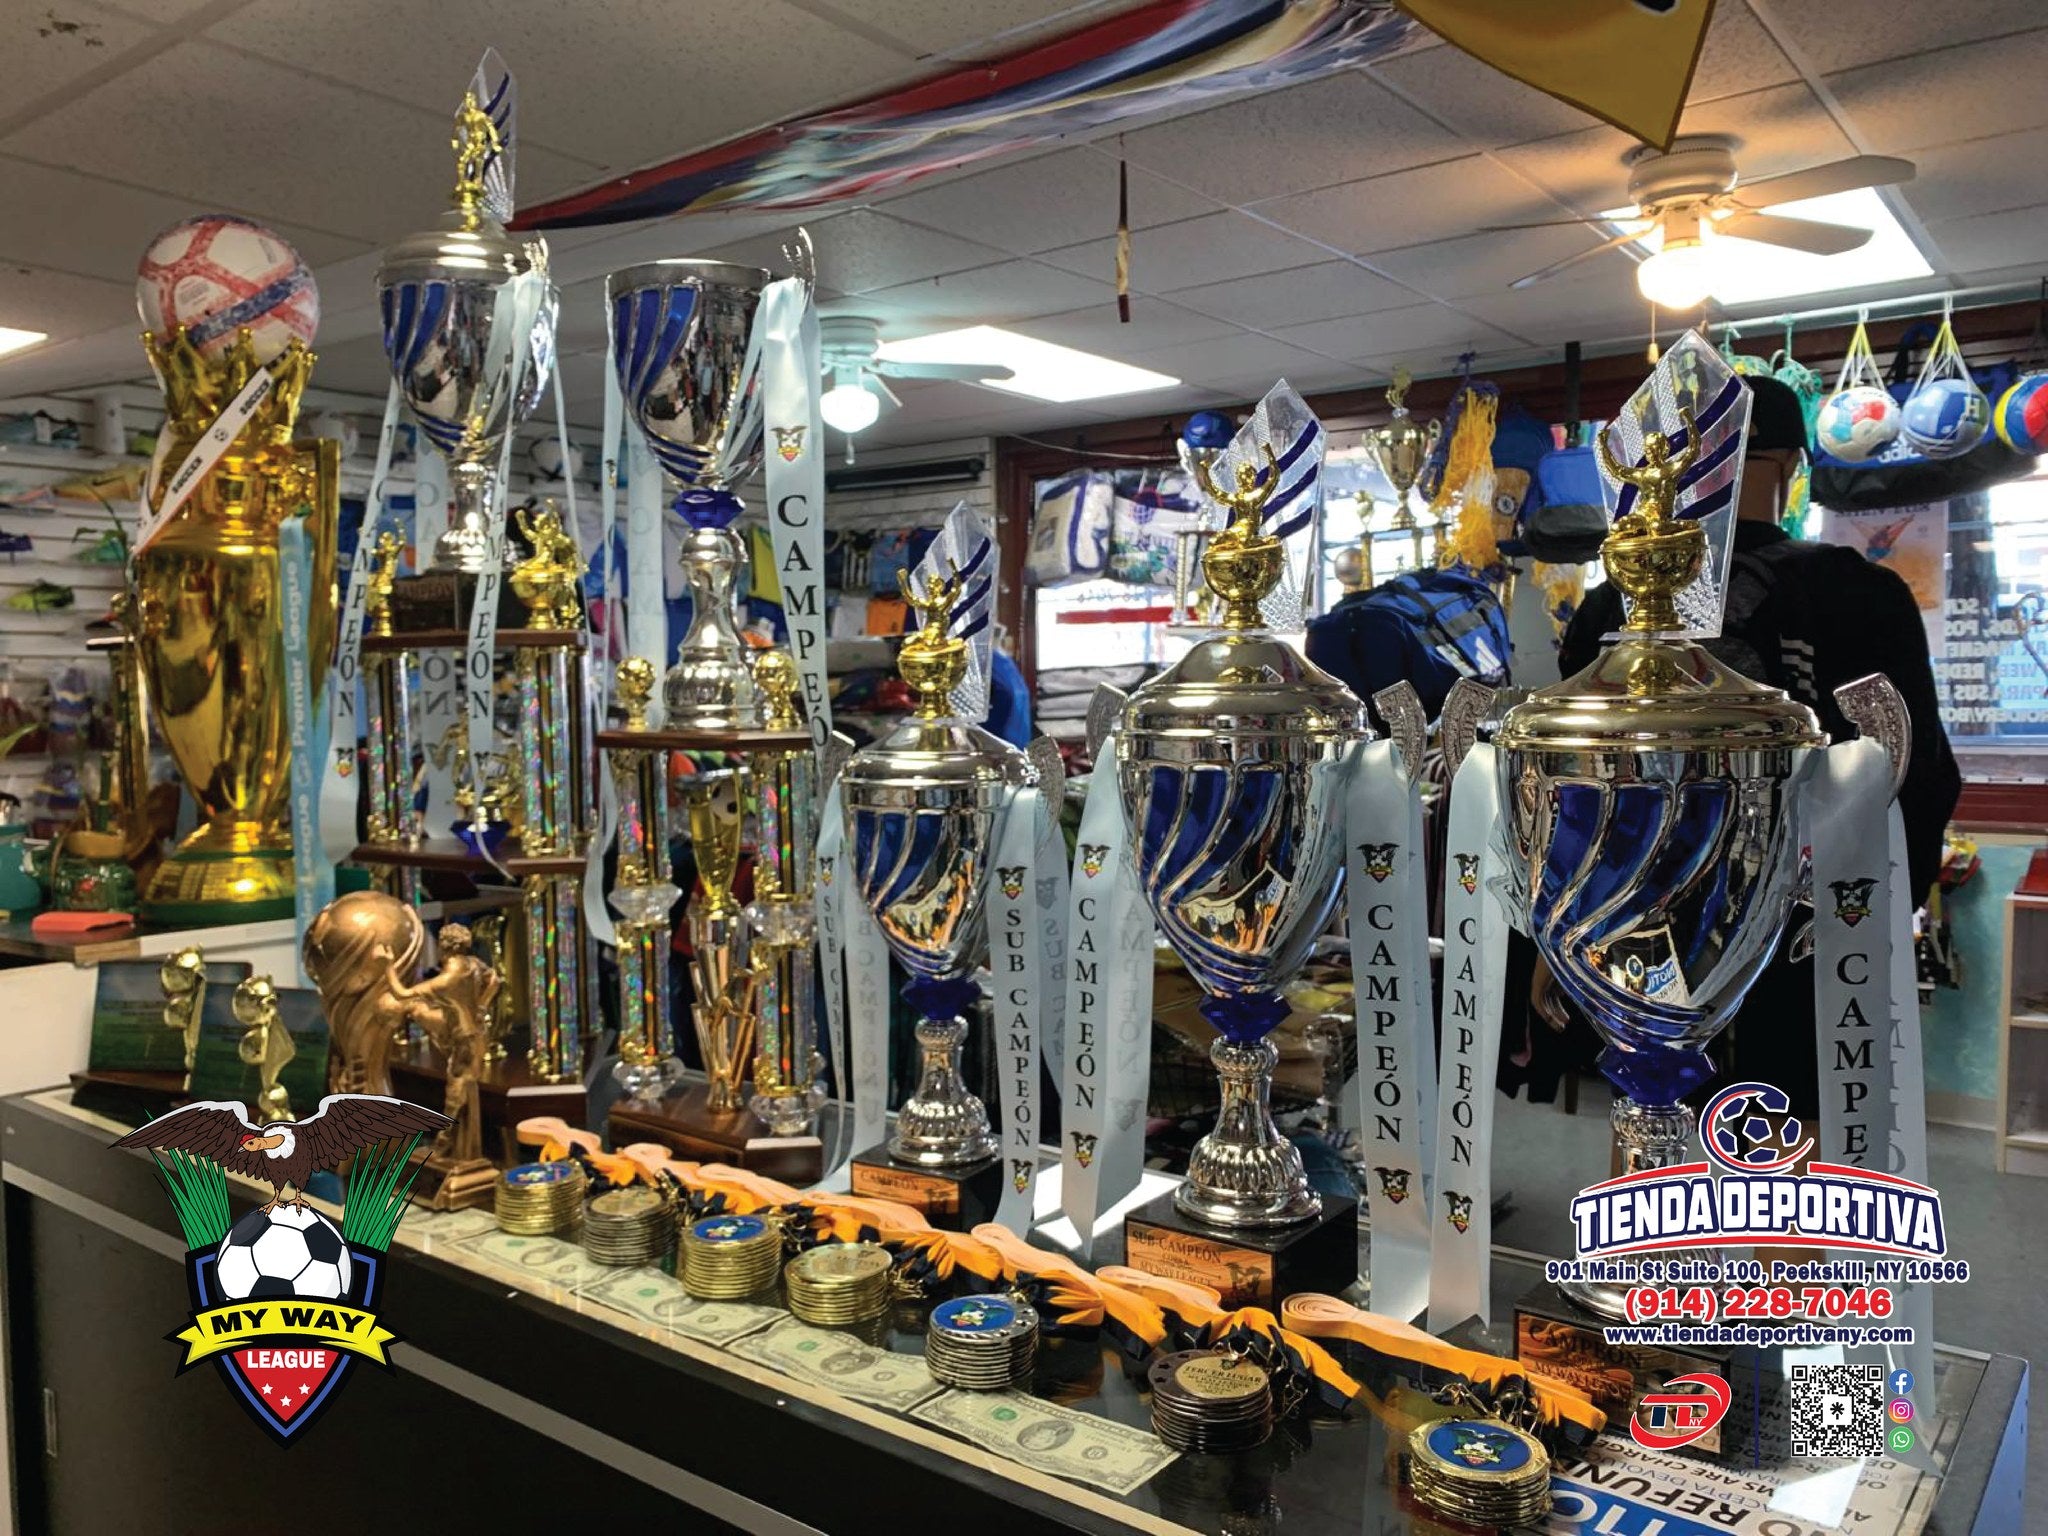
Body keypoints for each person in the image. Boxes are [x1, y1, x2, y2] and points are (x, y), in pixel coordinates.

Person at [1532, 374, 1961, 1118]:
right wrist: (1882, 910)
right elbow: (1916, 778)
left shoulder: (1609, 606)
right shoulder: (1856, 592)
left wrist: (1554, 928)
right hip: (1812, 920)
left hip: (1633, 919)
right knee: (1784, 1135)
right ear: (1791, 466)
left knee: (1650, 1113)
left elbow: (1571, 796)